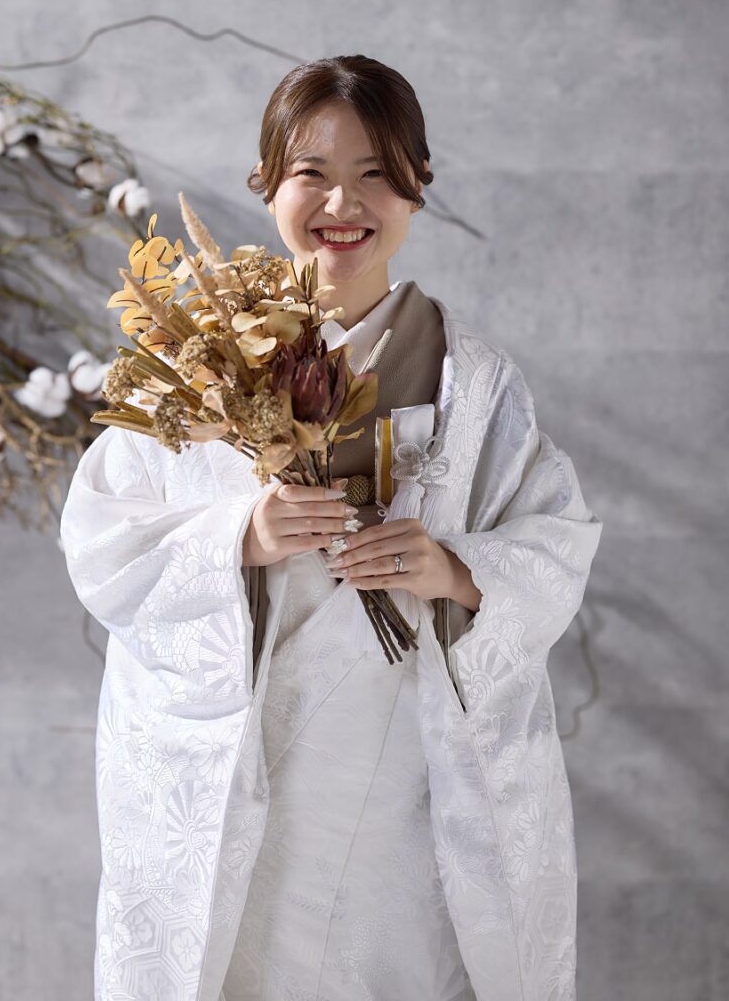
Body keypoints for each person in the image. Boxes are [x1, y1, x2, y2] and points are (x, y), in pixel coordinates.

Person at [59, 55, 603, 1001]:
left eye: (376, 173)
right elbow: (105, 544)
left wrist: (453, 568)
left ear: (418, 186)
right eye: (311, 172)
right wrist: (239, 535)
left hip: (404, 785)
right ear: (267, 183)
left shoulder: (472, 384)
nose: (342, 204)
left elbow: (553, 540)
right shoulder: (197, 365)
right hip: (246, 782)